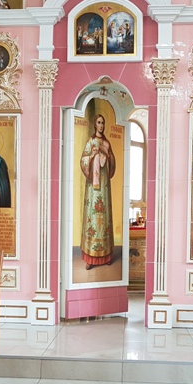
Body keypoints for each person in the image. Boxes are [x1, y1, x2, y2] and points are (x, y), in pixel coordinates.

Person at [80, 114, 116, 270]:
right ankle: (91, 257)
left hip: (104, 187)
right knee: (93, 217)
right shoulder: (90, 142)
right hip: (93, 189)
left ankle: (106, 255)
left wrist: (107, 154)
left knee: (104, 218)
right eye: (99, 122)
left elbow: (112, 164)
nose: (101, 125)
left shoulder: (107, 143)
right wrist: (92, 155)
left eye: (103, 123)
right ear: (95, 125)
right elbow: (83, 160)